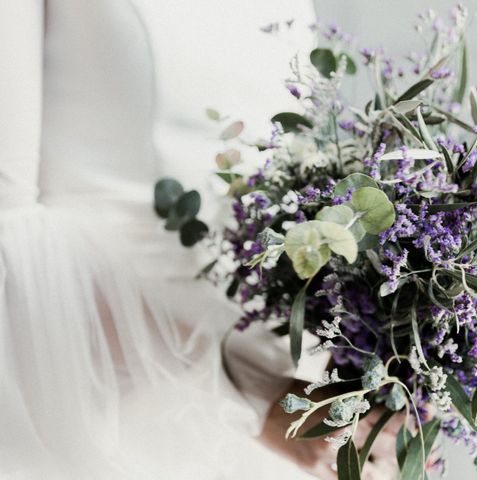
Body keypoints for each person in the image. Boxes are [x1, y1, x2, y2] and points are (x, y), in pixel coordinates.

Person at [0, 1, 400, 478]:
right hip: (93, 399)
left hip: (290, 404)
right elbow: (9, 226)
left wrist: (397, 360)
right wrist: (252, 398)